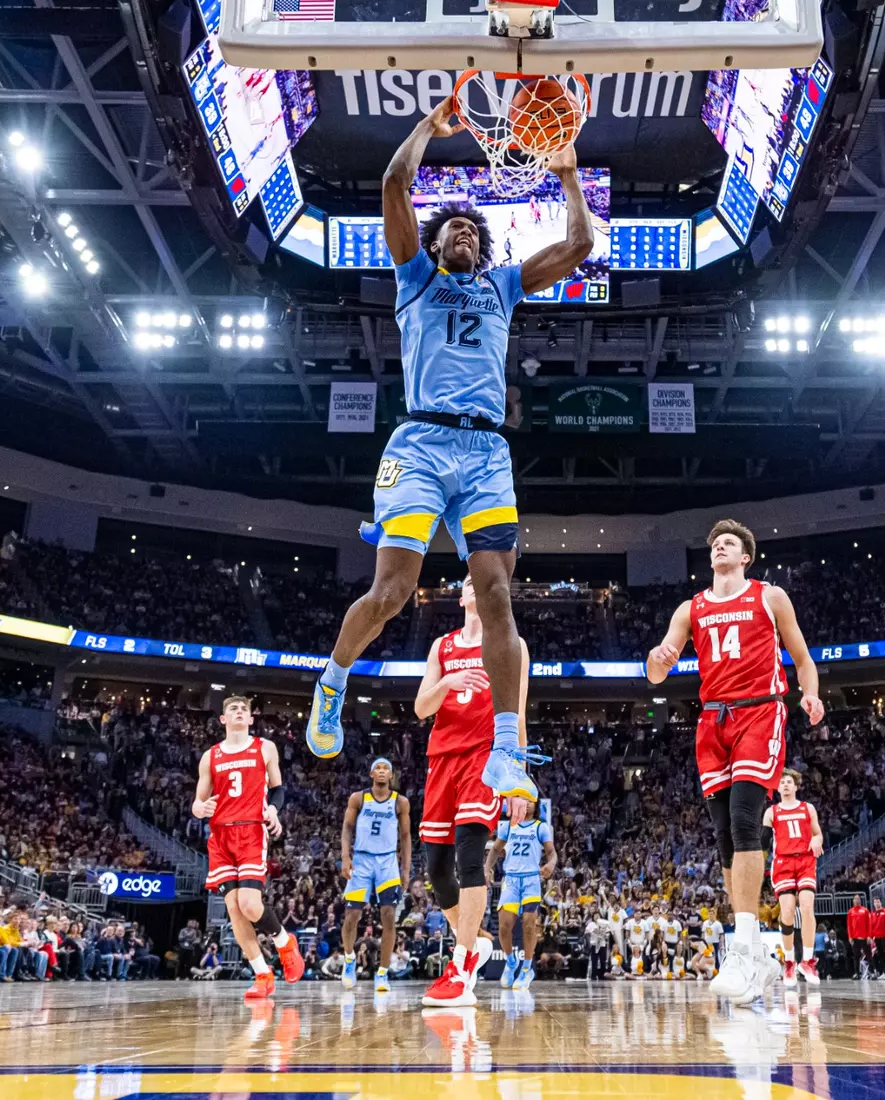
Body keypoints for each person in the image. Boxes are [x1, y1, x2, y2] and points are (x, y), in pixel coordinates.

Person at [305, 93, 596, 779]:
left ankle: (504, 749)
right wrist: (427, 127)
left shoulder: (502, 287)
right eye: (453, 228)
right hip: (420, 446)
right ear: (434, 245)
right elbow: (394, 183)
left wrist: (568, 176)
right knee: (392, 593)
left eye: (472, 229)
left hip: (486, 452)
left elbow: (580, 247)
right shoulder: (414, 278)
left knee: (496, 594)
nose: (463, 232)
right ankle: (333, 683)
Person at [647, 519, 824, 1004]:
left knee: (746, 822)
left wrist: (810, 694)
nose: (718, 547)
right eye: (714, 544)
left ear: (746, 556)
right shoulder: (691, 608)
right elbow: (656, 675)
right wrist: (659, 658)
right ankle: (756, 955)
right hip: (712, 721)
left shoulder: (770, 597)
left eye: (728, 543)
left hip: (760, 712)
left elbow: (803, 659)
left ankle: (744, 948)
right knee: (724, 835)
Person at [412, 577, 533, 1007]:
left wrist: (518, 779)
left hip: (485, 758)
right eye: (468, 582)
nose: (475, 587)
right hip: (441, 759)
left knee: (469, 857)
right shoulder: (441, 647)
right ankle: (476, 940)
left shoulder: (512, 645)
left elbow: (517, 715)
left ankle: (462, 968)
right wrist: (447, 683)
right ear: (462, 596)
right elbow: (421, 708)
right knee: (437, 871)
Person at [192, 695, 304, 1000]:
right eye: (233, 709)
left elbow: (278, 789)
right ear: (223, 719)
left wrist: (274, 810)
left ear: (252, 719)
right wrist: (199, 809)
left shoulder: (265, 747)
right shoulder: (210, 756)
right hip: (220, 836)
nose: (240, 712)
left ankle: (285, 943)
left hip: (251, 830)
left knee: (250, 905)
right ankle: (262, 974)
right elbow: (198, 802)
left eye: (245, 709)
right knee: (234, 909)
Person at [339, 757, 413, 994]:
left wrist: (406, 870)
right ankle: (349, 959)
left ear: (391, 775)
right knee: (352, 915)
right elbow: (347, 828)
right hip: (361, 860)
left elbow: (406, 837)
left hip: (387, 862)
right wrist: (345, 857)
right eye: (377, 768)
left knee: (389, 916)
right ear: (371, 774)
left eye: (385, 768)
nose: (381, 771)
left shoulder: (400, 802)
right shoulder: (358, 798)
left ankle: (382, 972)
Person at [486, 802, 556, 991]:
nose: (527, 803)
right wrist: (486, 869)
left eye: (530, 800)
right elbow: (495, 850)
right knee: (504, 926)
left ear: (536, 804)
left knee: (529, 923)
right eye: (523, 799)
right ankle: (511, 962)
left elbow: (552, 853)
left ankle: (526, 968)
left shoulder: (540, 827)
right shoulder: (508, 826)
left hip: (531, 879)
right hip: (511, 879)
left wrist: (550, 865)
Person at [763, 769, 823, 986]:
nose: (786, 785)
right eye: (782, 782)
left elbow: (817, 833)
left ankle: (807, 961)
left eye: (789, 782)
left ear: (796, 786)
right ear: (777, 788)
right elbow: (763, 841)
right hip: (783, 863)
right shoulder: (771, 812)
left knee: (807, 907)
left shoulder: (808, 808)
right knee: (787, 912)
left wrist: (817, 839)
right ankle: (789, 961)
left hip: (805, 861)